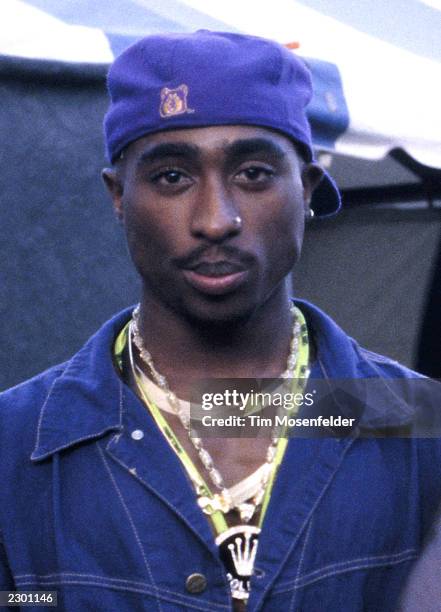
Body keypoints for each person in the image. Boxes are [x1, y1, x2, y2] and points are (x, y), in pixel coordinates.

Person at [1, 30, 440, 612]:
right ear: (118, 196)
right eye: (172, 177)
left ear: (305, 188)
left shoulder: (416, 422)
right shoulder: (18, 444)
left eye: (254, 173)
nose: (216, 220)